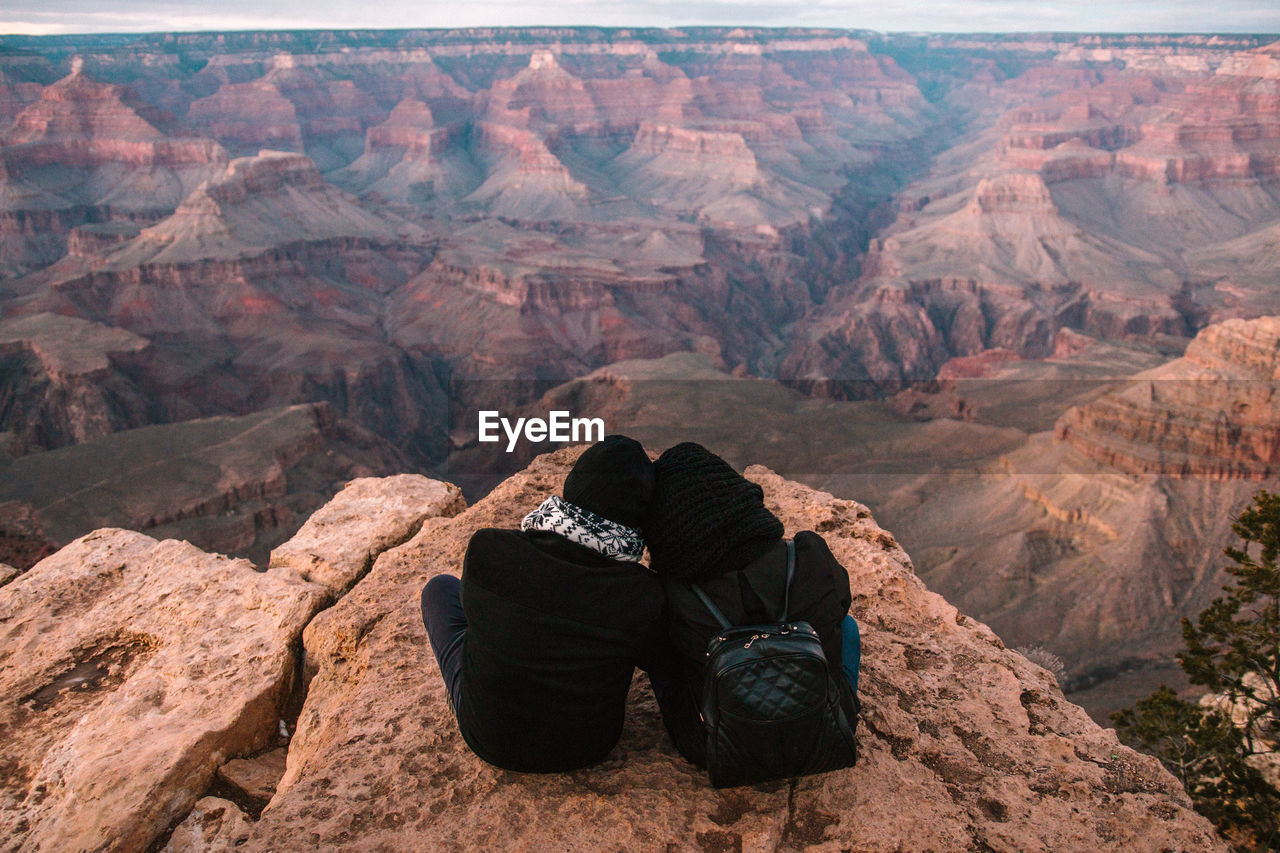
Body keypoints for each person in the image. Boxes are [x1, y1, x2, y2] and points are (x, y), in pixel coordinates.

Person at [420, 434, 683, 772]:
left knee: (439, 590)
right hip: (587, 747)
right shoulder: (642, 596)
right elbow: (662, 659)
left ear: (574, 487)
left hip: (489, 737)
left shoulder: (489, 550)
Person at [642, 441, 861, 768]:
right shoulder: (805, 559)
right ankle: (841, 706)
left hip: (714, 747)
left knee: (662, 652)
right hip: (819, 733)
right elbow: (840, 602)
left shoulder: (672, 595)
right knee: (846, 626)